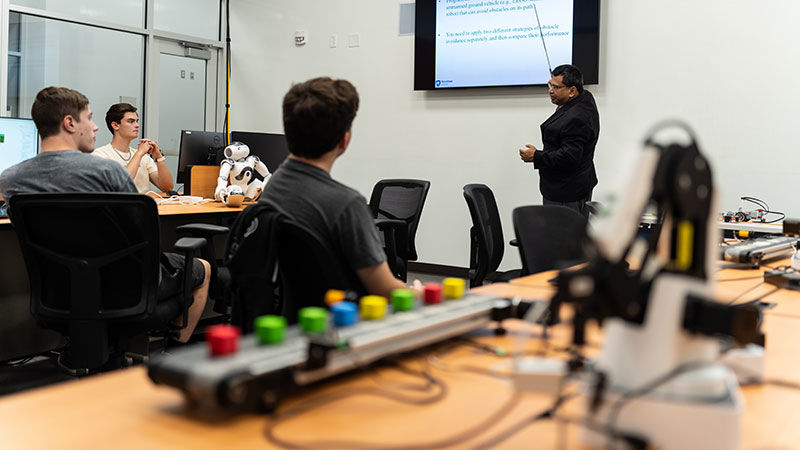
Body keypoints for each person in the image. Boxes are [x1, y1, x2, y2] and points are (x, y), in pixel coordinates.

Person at [0, 87, 207, 343]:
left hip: (59, 292)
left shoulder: (10, 180)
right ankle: (175, 354)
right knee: (204, 268)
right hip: (125, 291)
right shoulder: (108, 171)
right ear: (70, 123)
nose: (96, 127)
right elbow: (139, 236)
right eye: (89, 118)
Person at [263, 77, 420, 299]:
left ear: (288, 134)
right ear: (344, 141)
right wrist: (420, 295)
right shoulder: (346, 204)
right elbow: (383, 289)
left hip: (290, 319)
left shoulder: (272, 187)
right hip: (340, 323)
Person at [519, 64, 600, 217]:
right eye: (550, 85)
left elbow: (570, 157)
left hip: (566, 193)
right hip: (572, 186)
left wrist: (536, 156)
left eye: (556, 87)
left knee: (563, 239)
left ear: (572, 91)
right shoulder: (584, 98)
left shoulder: (576, 117)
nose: (550, 90)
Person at [93, 103, 174, 194]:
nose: (137, 125)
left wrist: (159, 156)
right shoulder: (101, 155)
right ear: (115, 125)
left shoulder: (143, 157)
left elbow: (168, 187)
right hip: (120, 207)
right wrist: (139, 154)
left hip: (142, 206)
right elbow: (122, 185)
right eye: (131, 121)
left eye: (137, 121)